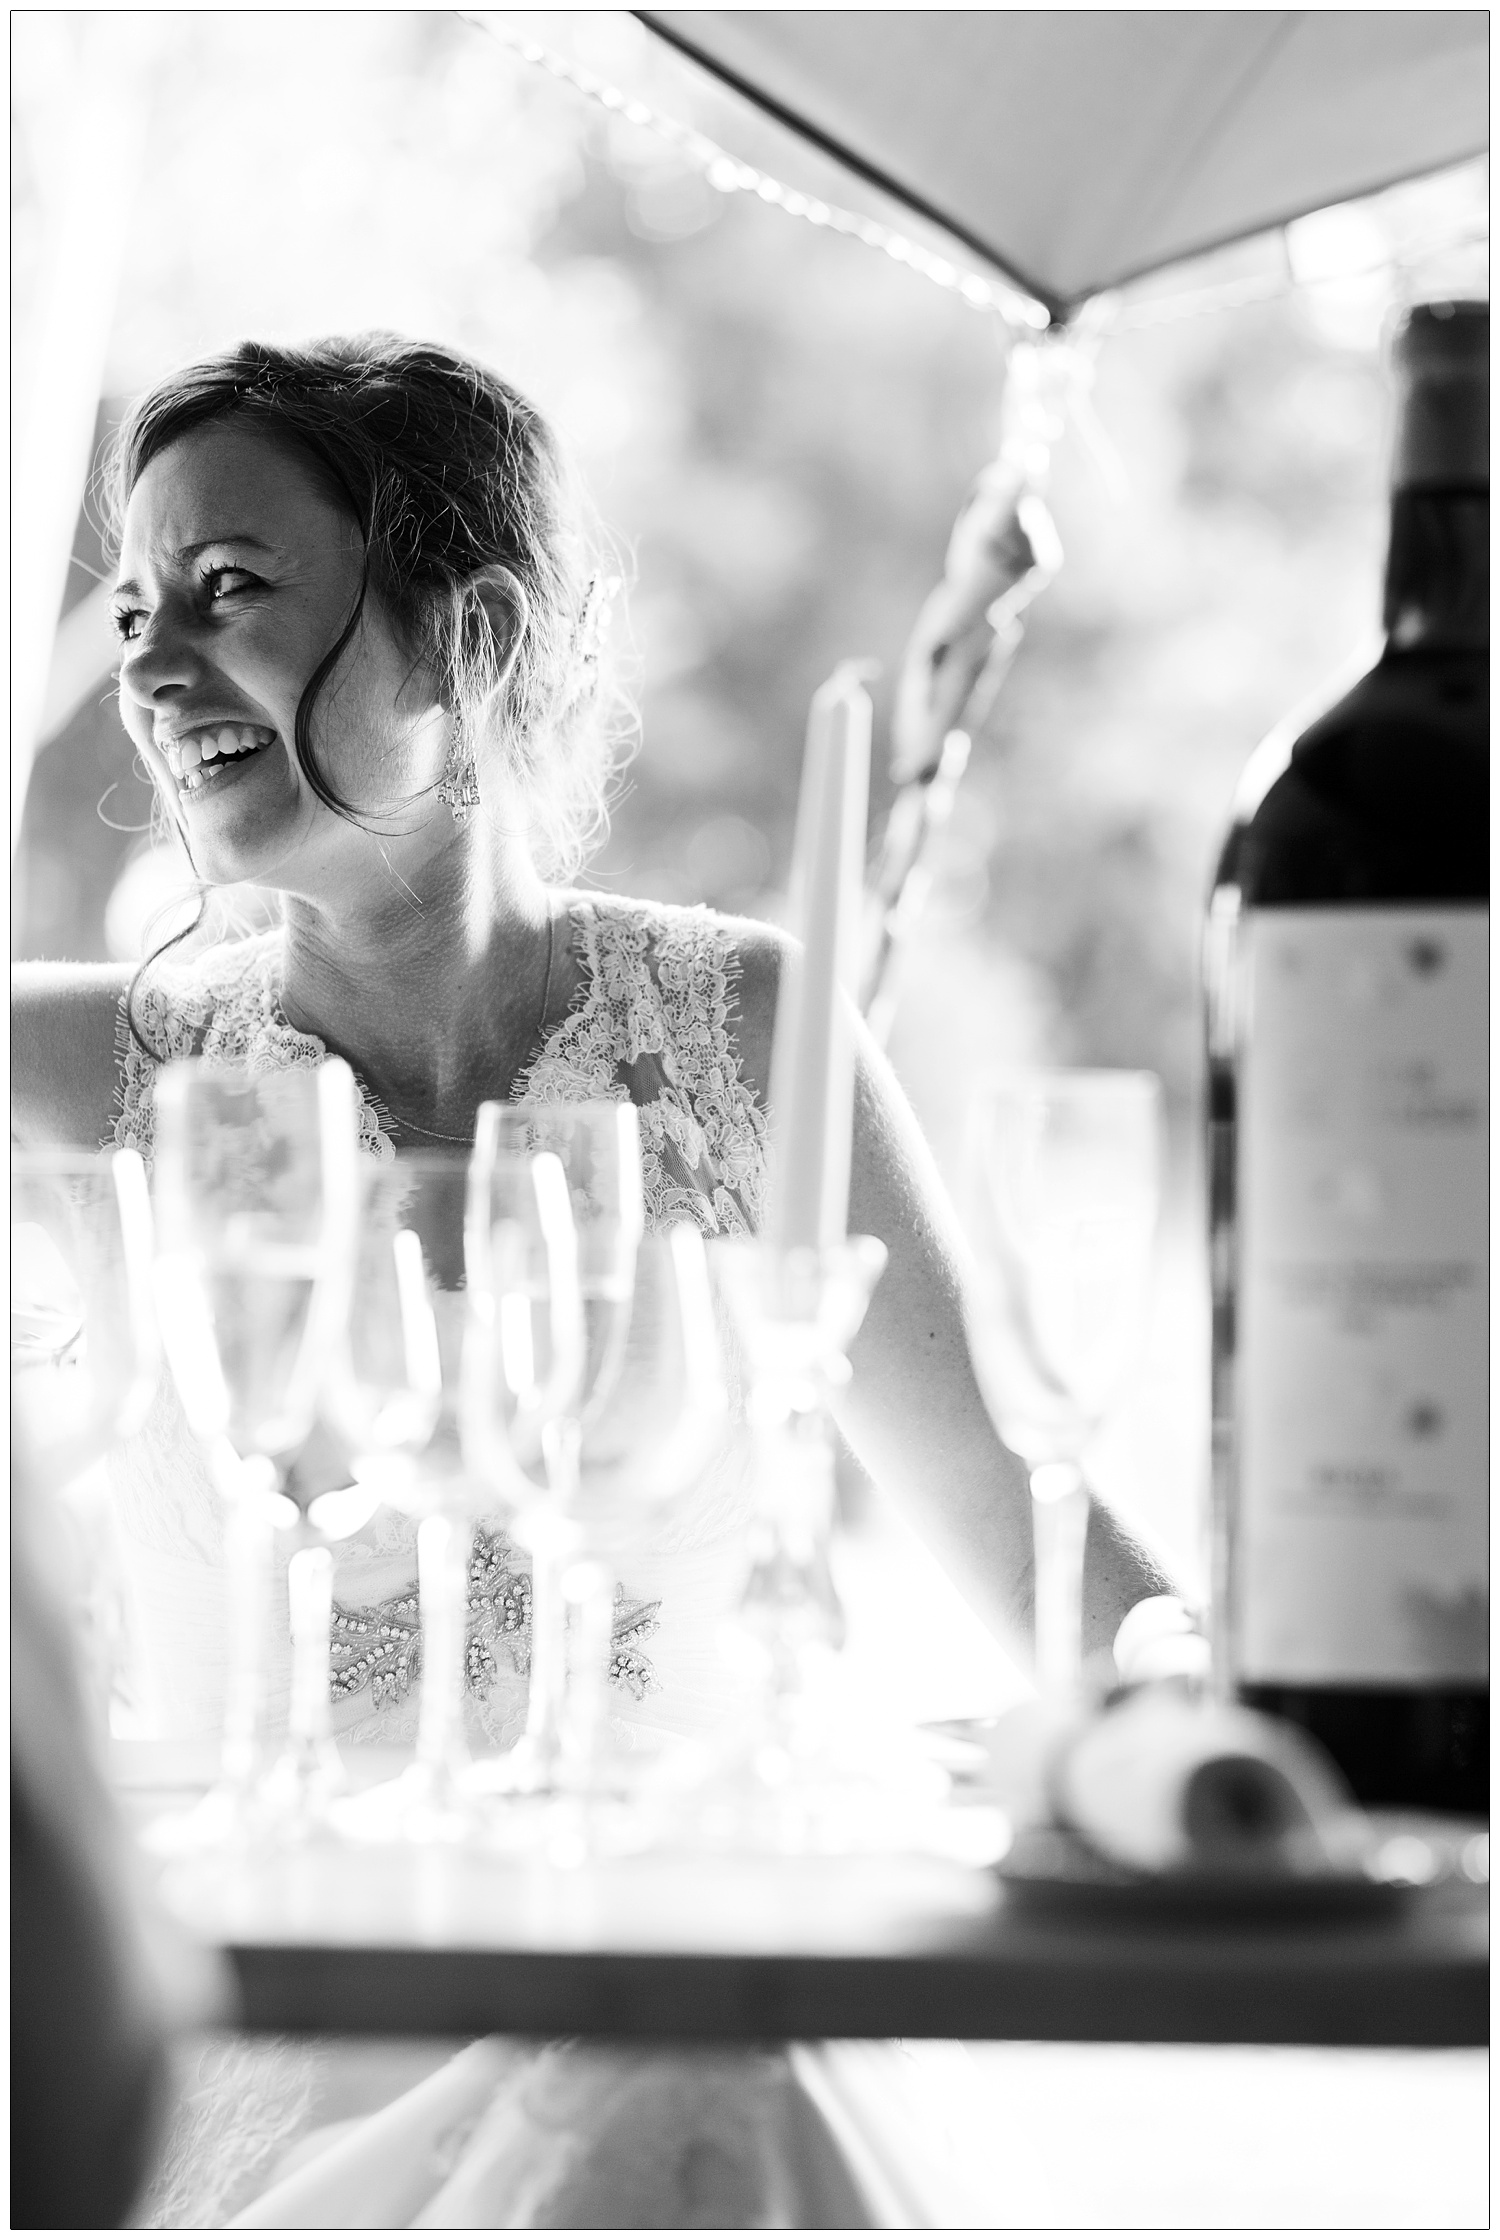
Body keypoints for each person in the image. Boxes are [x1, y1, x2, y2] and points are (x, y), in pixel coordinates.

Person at [12, 334, 1174, 2226]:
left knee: (691, 2084)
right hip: (273, 2072)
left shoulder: (739, 1034)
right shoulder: (86, 1078)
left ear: (466, 637)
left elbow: (1039, 1552)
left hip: (683, 2003)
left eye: (229, 595)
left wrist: (1266, 1747)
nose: (146, 669)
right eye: (134, 608)